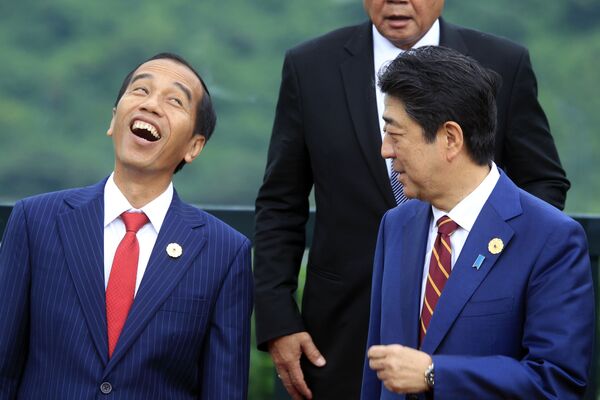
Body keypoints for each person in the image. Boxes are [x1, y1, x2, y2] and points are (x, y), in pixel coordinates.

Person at [254, 1, 570, 398]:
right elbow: (281, 201)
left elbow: (542, 182)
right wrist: (278, 317)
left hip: (476, 323)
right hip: (341, 331)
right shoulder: (310, 65)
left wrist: (497, 275)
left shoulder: (502, 61)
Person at [0, 53, 253, 399]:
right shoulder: (35, 221)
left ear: (194, 146)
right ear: (113, 119)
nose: (151, 105)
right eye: (140, 90)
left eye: (175, 100)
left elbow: (223, 389)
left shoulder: (225, 252)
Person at [361, 45, 593, 400]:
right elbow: (377, 376)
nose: (385, 150)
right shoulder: (396, 225)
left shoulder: (551, 239)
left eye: (396, 134)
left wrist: (435, 374)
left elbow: (557, 382)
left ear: (451, 139)